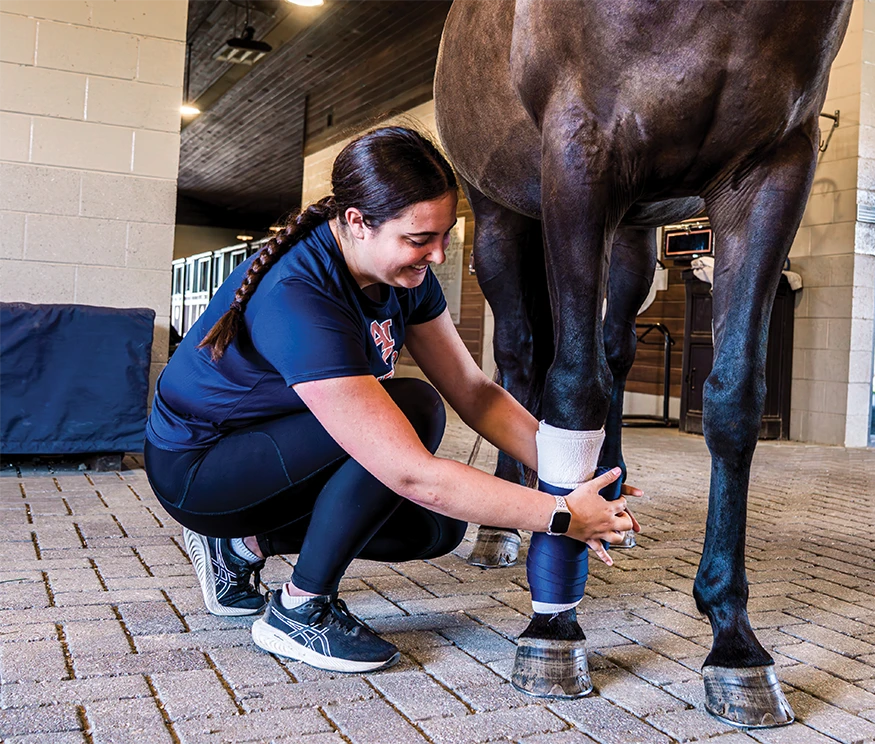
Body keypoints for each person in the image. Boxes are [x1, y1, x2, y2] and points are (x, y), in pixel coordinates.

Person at [144, 126, 639, 674]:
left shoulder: (406, 277)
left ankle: (239, 548)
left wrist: (574, 473)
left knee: (437, 528)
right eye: (419, 237)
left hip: (283, 445)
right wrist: (563, 515)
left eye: (447, 234)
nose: (440, 252)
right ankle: (300, 610)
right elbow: (412, 475)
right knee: (413, 412)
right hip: (203, 468)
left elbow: (476, 393)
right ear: (358, 222)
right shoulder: (298, 296)